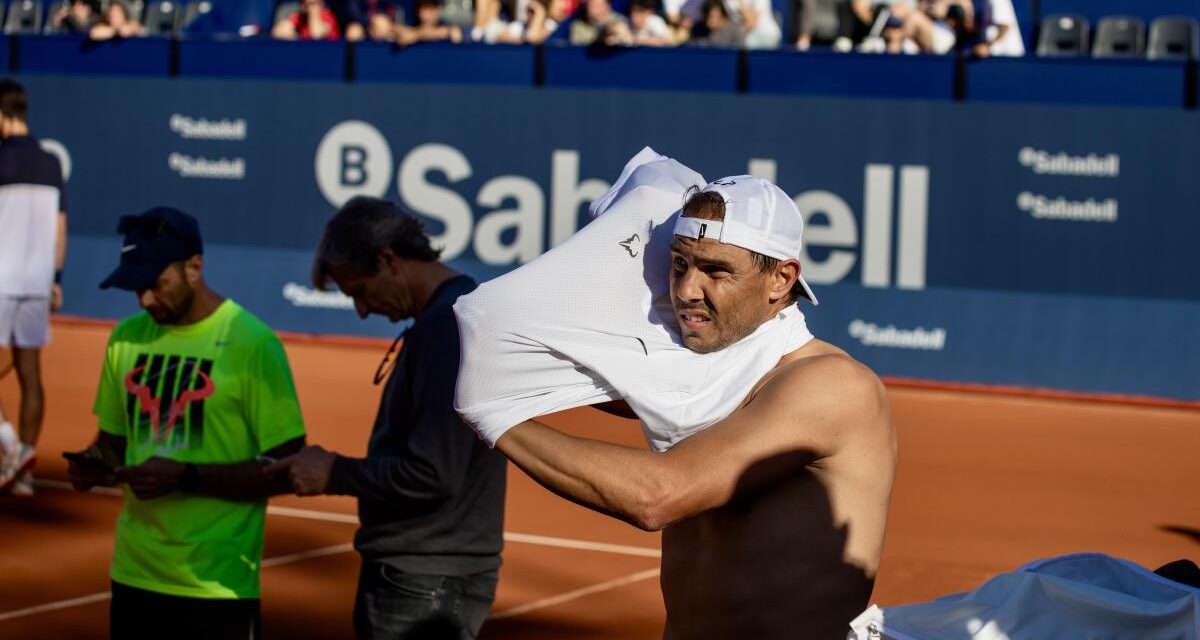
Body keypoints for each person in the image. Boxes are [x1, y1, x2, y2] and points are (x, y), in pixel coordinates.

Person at [454, 156, 896, 638]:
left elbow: (657, 498)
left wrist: (496, 415)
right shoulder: (712, 377)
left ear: (781, 279)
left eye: (716, 271)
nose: (687, 289)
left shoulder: (830, 386)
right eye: (680, 263)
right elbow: (615, 389)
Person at [267, 196, 506, 640]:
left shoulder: (445, 327)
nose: (361, 309)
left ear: (389, 260)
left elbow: (431, 473)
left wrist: (333, 472)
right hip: (430, 573)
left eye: (358, 290)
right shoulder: (452, 316)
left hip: (423, 581)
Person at [64, 206, 307, 639]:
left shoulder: (254, 345)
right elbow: (113, 443)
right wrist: (93, 463)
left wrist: (185, 477)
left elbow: (289, 468)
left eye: (156, 285)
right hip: (135, 575)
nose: (145, 300)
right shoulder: (126, 338)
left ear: (194, 267)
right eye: (136, 289)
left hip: (216, 588)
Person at [0, 79, 67, 497]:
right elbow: (60, 228)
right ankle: (23, 468)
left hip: (0, 279)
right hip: (36, 282)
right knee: (30, 373)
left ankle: (9, 445)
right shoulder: (50, 163)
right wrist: (55, 279)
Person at [394, 0, 463, 46]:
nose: (429, 13)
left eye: (432, 8)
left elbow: (454, 34)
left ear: (438, 10)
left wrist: (416, 35)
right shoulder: (410, 22)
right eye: (425, 8)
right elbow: (398, 33)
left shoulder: (446, 25)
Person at [272, 0, 341, 40]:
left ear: (321, 3)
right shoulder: (300, 17)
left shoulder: (328, 16)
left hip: (327, 56)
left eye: (314, 4)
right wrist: (294, 36)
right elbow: (277, 31)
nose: (311, 8)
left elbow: (317, 35)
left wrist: (313, 15)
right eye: (308, 5)